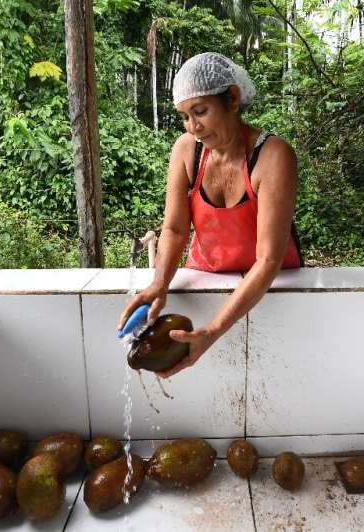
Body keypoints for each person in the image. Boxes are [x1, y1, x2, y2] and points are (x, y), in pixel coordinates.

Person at [118, 52, 303, 378]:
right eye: (185, 116)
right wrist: (159, 284)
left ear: (232, 98)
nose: (194, 126)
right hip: (207, 274)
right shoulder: (186, 150)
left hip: (269, 284)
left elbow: (267, 260)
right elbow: (175, 229)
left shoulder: (273, 156)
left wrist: (214, 330)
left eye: (201, 111)